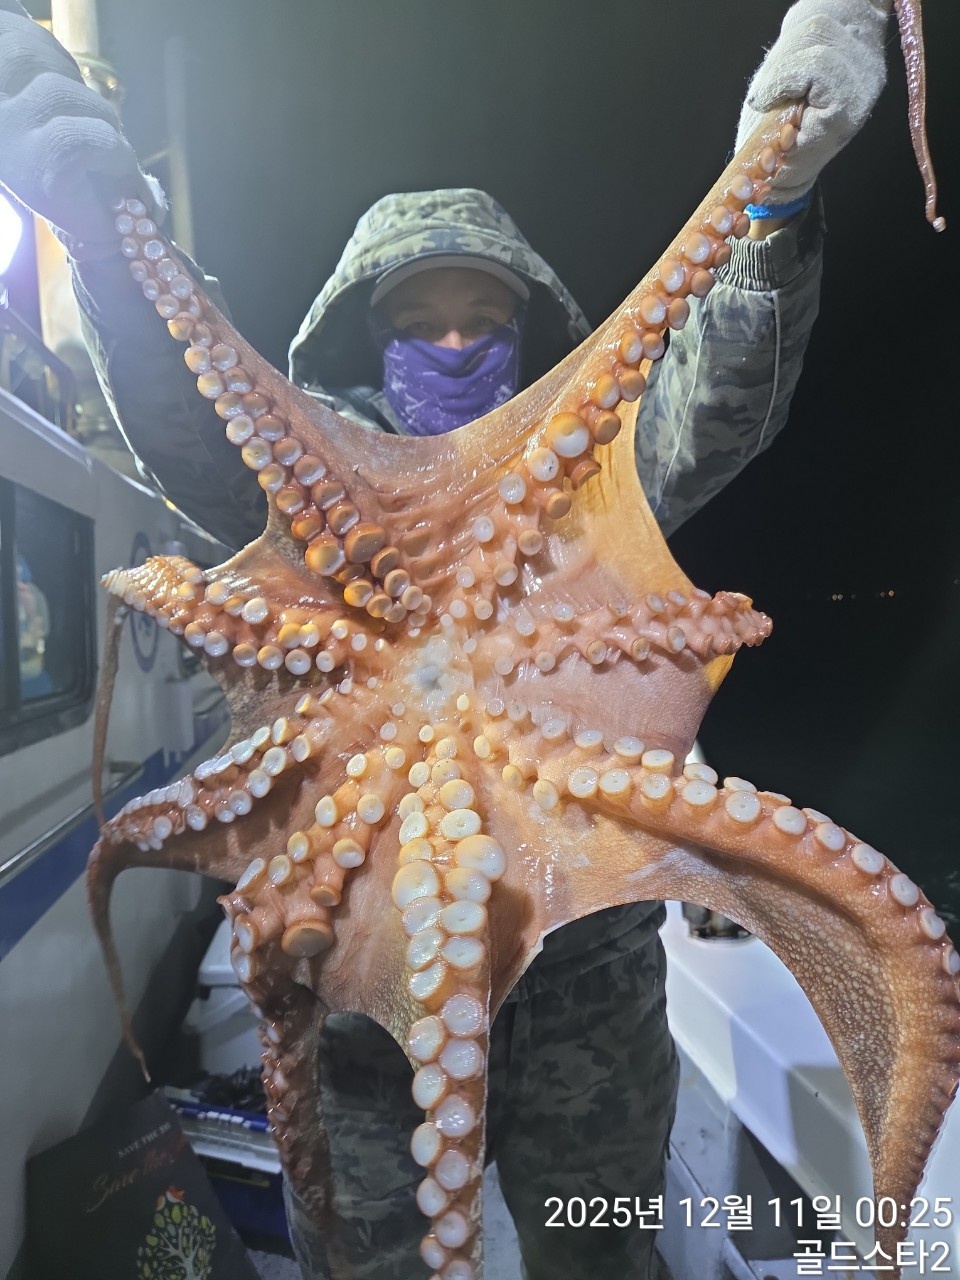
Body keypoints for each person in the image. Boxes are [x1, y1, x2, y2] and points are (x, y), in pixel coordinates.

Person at [0, 2, 892, 1276]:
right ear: (373, 336)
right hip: (369, 1002)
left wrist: (777, 206)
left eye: (485, 316)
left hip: (591, 987)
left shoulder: (584, 484)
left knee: (600, 1247)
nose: (459, 341)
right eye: (425, 319)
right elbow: (202, 423)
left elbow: (711, 407)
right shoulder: (316, 489)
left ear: (528, 332)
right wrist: (102, 237)